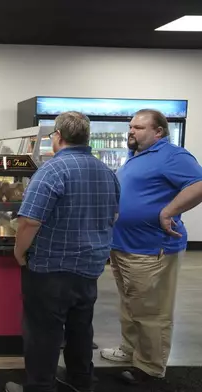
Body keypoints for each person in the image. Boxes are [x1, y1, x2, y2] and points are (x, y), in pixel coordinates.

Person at [5, 111, 120, 392]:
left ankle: (40, 387)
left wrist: (20, 252)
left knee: (44, 332)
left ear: (57, 137)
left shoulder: (52, 170)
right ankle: (81, 381)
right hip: (90, 266)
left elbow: (30, 220)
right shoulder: (107, 172)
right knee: (81, 328)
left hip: (50, 268)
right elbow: (113, 217)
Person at [100, 109, 202, 385]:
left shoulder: (173, 155)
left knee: (152, 311)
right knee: (131, 304)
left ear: (158, 132)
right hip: (123, 247)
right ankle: (130, 350)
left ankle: (149, 368)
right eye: (131, 126)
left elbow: (199, 184)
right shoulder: (136, 157)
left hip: (151, 249)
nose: (131, 131)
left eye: (139, 127)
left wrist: (168, 211)